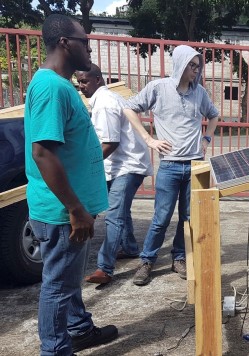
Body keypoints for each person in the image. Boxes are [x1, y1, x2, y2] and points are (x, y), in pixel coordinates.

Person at [24, 14, 118, 355]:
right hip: (64, 213)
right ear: (65, 43)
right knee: (58, 287)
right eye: (85, 41)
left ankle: (78, 329)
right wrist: (76, 209)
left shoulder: (59, 85)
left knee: (67, 280)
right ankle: (55, 350)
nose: (89, 47)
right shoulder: (51, 87)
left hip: (72, 210)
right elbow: (43, 153)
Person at [123, 45, 219, 286]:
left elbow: (214, 115)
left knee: (188, 217)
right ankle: (147, 261)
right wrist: (149, 140)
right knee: (161, 217)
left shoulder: (200, 93)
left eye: (198, 66)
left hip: (195, 164)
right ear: (181, 64)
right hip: (170, 166)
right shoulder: (159, 88)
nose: (196, 71)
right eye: (192, 66)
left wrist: (206, 137)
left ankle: (179, 258)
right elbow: (128, 108)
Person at [75, 64, 153, 285]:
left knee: (113, 216)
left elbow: (110, 143)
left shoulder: (105, 104)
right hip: (122, 165)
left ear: (98, 79)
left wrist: (87, 166)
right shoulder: (106, 99)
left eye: (84, 82)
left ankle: (104, 268)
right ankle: (129, 247)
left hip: (127, 166)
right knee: (119, 210)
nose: (81, 87)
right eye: (78, 82)